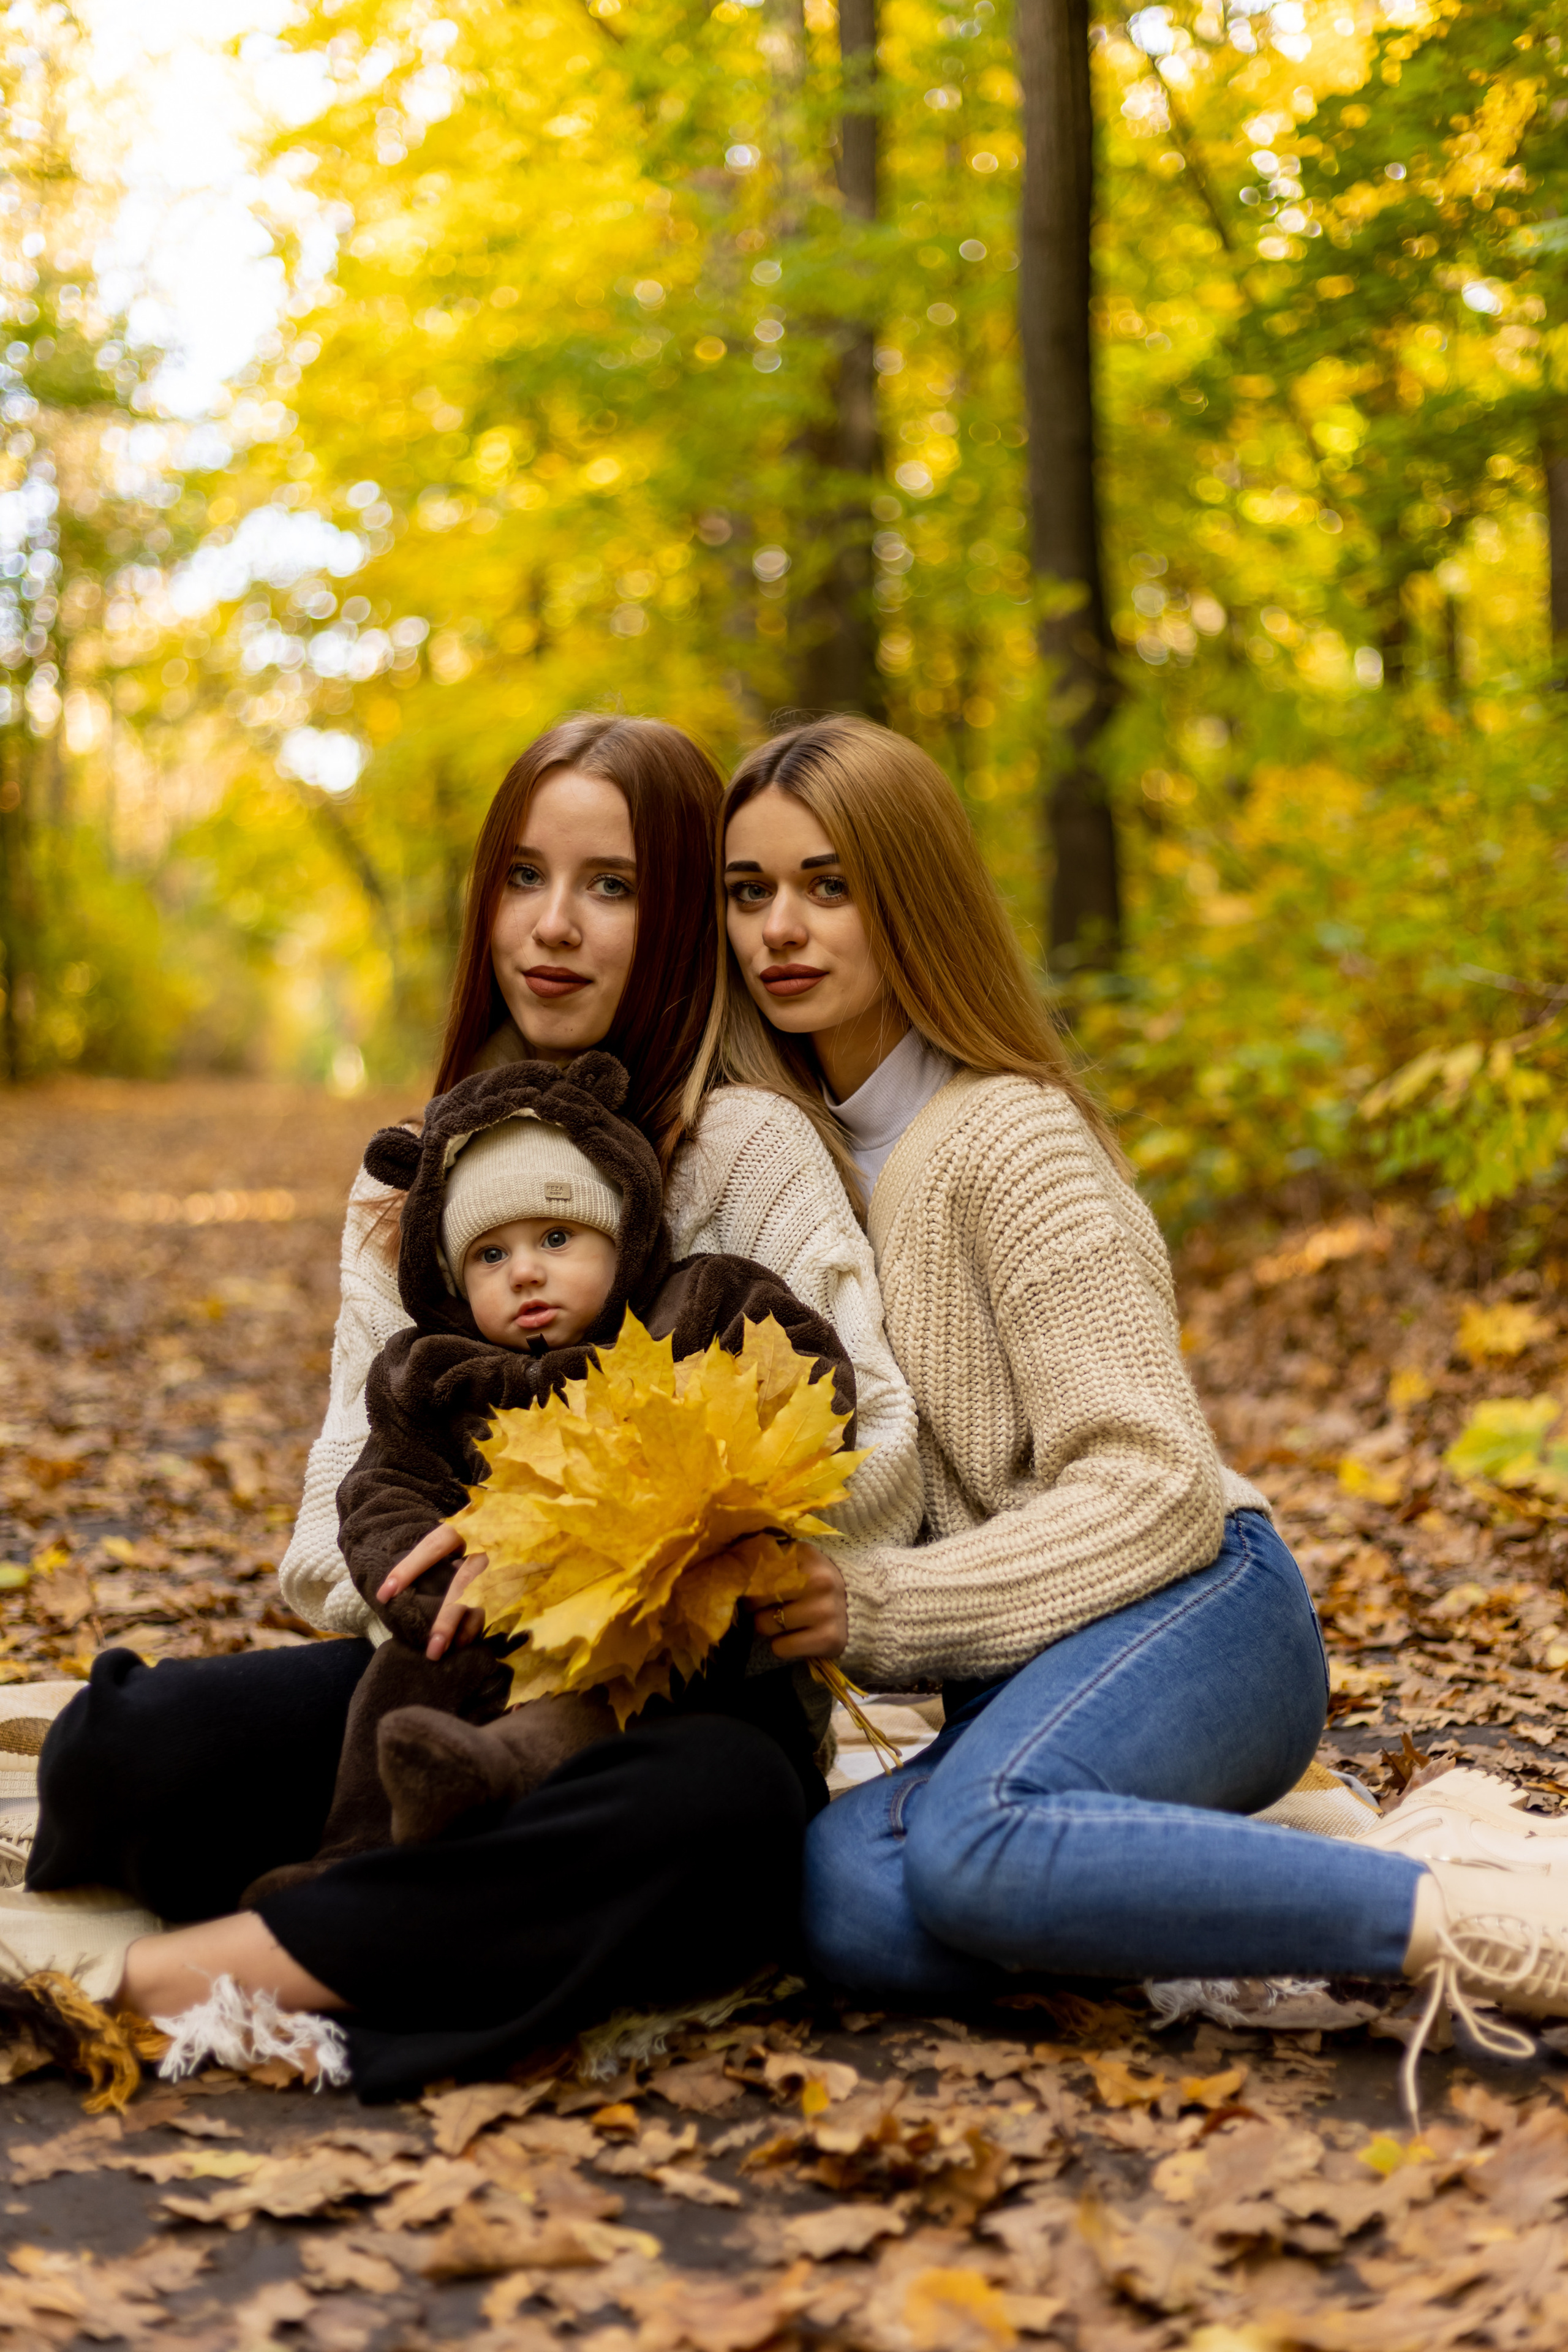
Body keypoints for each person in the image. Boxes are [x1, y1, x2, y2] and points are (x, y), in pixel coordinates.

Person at [17, 714, 922, 2100]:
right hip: (435, 1665)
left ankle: (184, 1978)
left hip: (674, 1709)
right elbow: (324, 1533)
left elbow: (881, 1470)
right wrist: (450, 1584)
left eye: (611, 887)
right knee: (128, 1751)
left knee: (725, 1822)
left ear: (675, 909)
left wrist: (588, 1540)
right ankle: (427, 1910)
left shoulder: (748, 1146)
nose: (552, 928)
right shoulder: (412, 1185)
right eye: (522, 877)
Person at [692, 713, 1568, 2082]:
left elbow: (1153, 1483)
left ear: (908, 894)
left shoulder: (1010, 1135)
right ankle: (1241, 1859)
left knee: (973, 1850)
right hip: (1020, 1684)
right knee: (849, 1908)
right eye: (747, 894)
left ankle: (1480, 1922)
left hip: (1199, 1604)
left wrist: (880, 1608)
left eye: (827, 884)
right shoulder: (776, 1166)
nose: (778, 931)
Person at [253, 1047, 854, 1881]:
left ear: (621, 1232)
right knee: (398, 1682)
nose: (526, 1270)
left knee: (638, 1696)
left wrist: (600, 1519)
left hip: (665, 1620)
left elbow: (804, 1380)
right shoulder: (436, 1373)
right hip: (488, 1631)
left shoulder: (697, 1305)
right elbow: (382, 1491)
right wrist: (436, 1592)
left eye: (558, 1236)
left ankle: (498, 1784)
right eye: (490, 1257)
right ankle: (353, 1857)